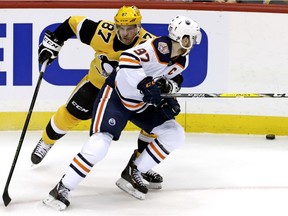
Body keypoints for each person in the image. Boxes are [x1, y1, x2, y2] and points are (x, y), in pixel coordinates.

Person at [42, 15, 202, 211]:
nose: (192, 42)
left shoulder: (181, 60)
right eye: (190, 38)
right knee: (99, 145)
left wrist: (169, 93)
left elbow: (168, 80)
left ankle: (134, 170)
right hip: (116, 97)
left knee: (175, 134)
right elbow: (127, 58)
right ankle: (62, 188)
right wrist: (144, 82)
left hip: (140, 103)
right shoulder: (159, 47)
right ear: (181, 38)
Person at [31, 6, 165, 189]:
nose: (125, 33)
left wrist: (166, 83)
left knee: (157, 123)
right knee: (69, 114)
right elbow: (72, 22)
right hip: (96, 85)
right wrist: (55, 41)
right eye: (121, 27)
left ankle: (140, 165)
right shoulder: (102, 32)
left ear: (139, 26)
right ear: (115, 25)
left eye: (131, 28)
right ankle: (46, 141)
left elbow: (168, 66)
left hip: (130, 95)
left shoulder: (150, 45)